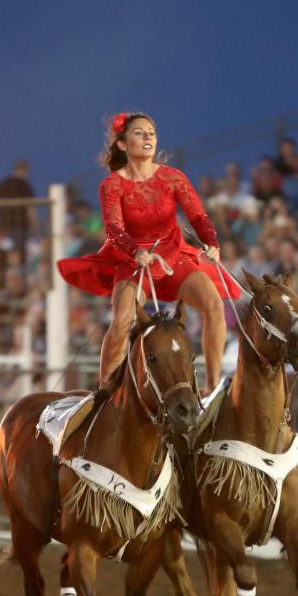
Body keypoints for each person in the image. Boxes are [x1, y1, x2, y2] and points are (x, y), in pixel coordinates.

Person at [57, 112, 240, 393]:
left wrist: (211, 244)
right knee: (123, 320)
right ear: (122, 144)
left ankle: (212, 386)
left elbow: (199, 217)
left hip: (173, 254)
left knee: (214, 305)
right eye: (139, 133)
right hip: (133, 260)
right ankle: (105, 391)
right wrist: (135, 252)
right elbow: (114, 229)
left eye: (151, 133)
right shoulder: (112, 185)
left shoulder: (173, 177)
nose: (148, 138)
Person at [0, 160, 36, 259]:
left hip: (3, 224)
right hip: (20, 225)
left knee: (4, 250)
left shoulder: (3, 184)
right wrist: (34, 224)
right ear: (25, 170)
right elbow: (30, 207)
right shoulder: (25, 185)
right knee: (19, 252)